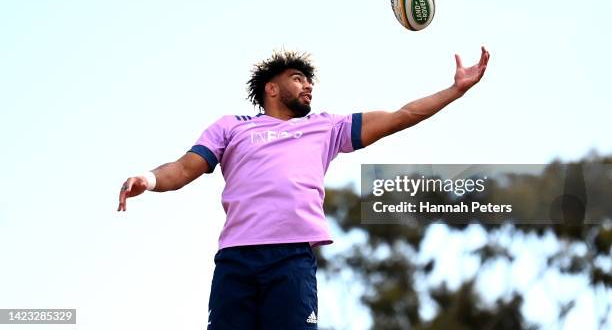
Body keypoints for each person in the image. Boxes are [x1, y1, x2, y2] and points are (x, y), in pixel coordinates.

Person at [117, 47, 490, 329]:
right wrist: (147, 180)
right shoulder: (232, 127)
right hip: (236, 260)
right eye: (298, 77)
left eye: (309, 79)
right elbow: (184, 168)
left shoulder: (326, 127)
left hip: (291, 259)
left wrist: (454, 90)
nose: (308, 84)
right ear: (272, 88)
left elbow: (399, 116)